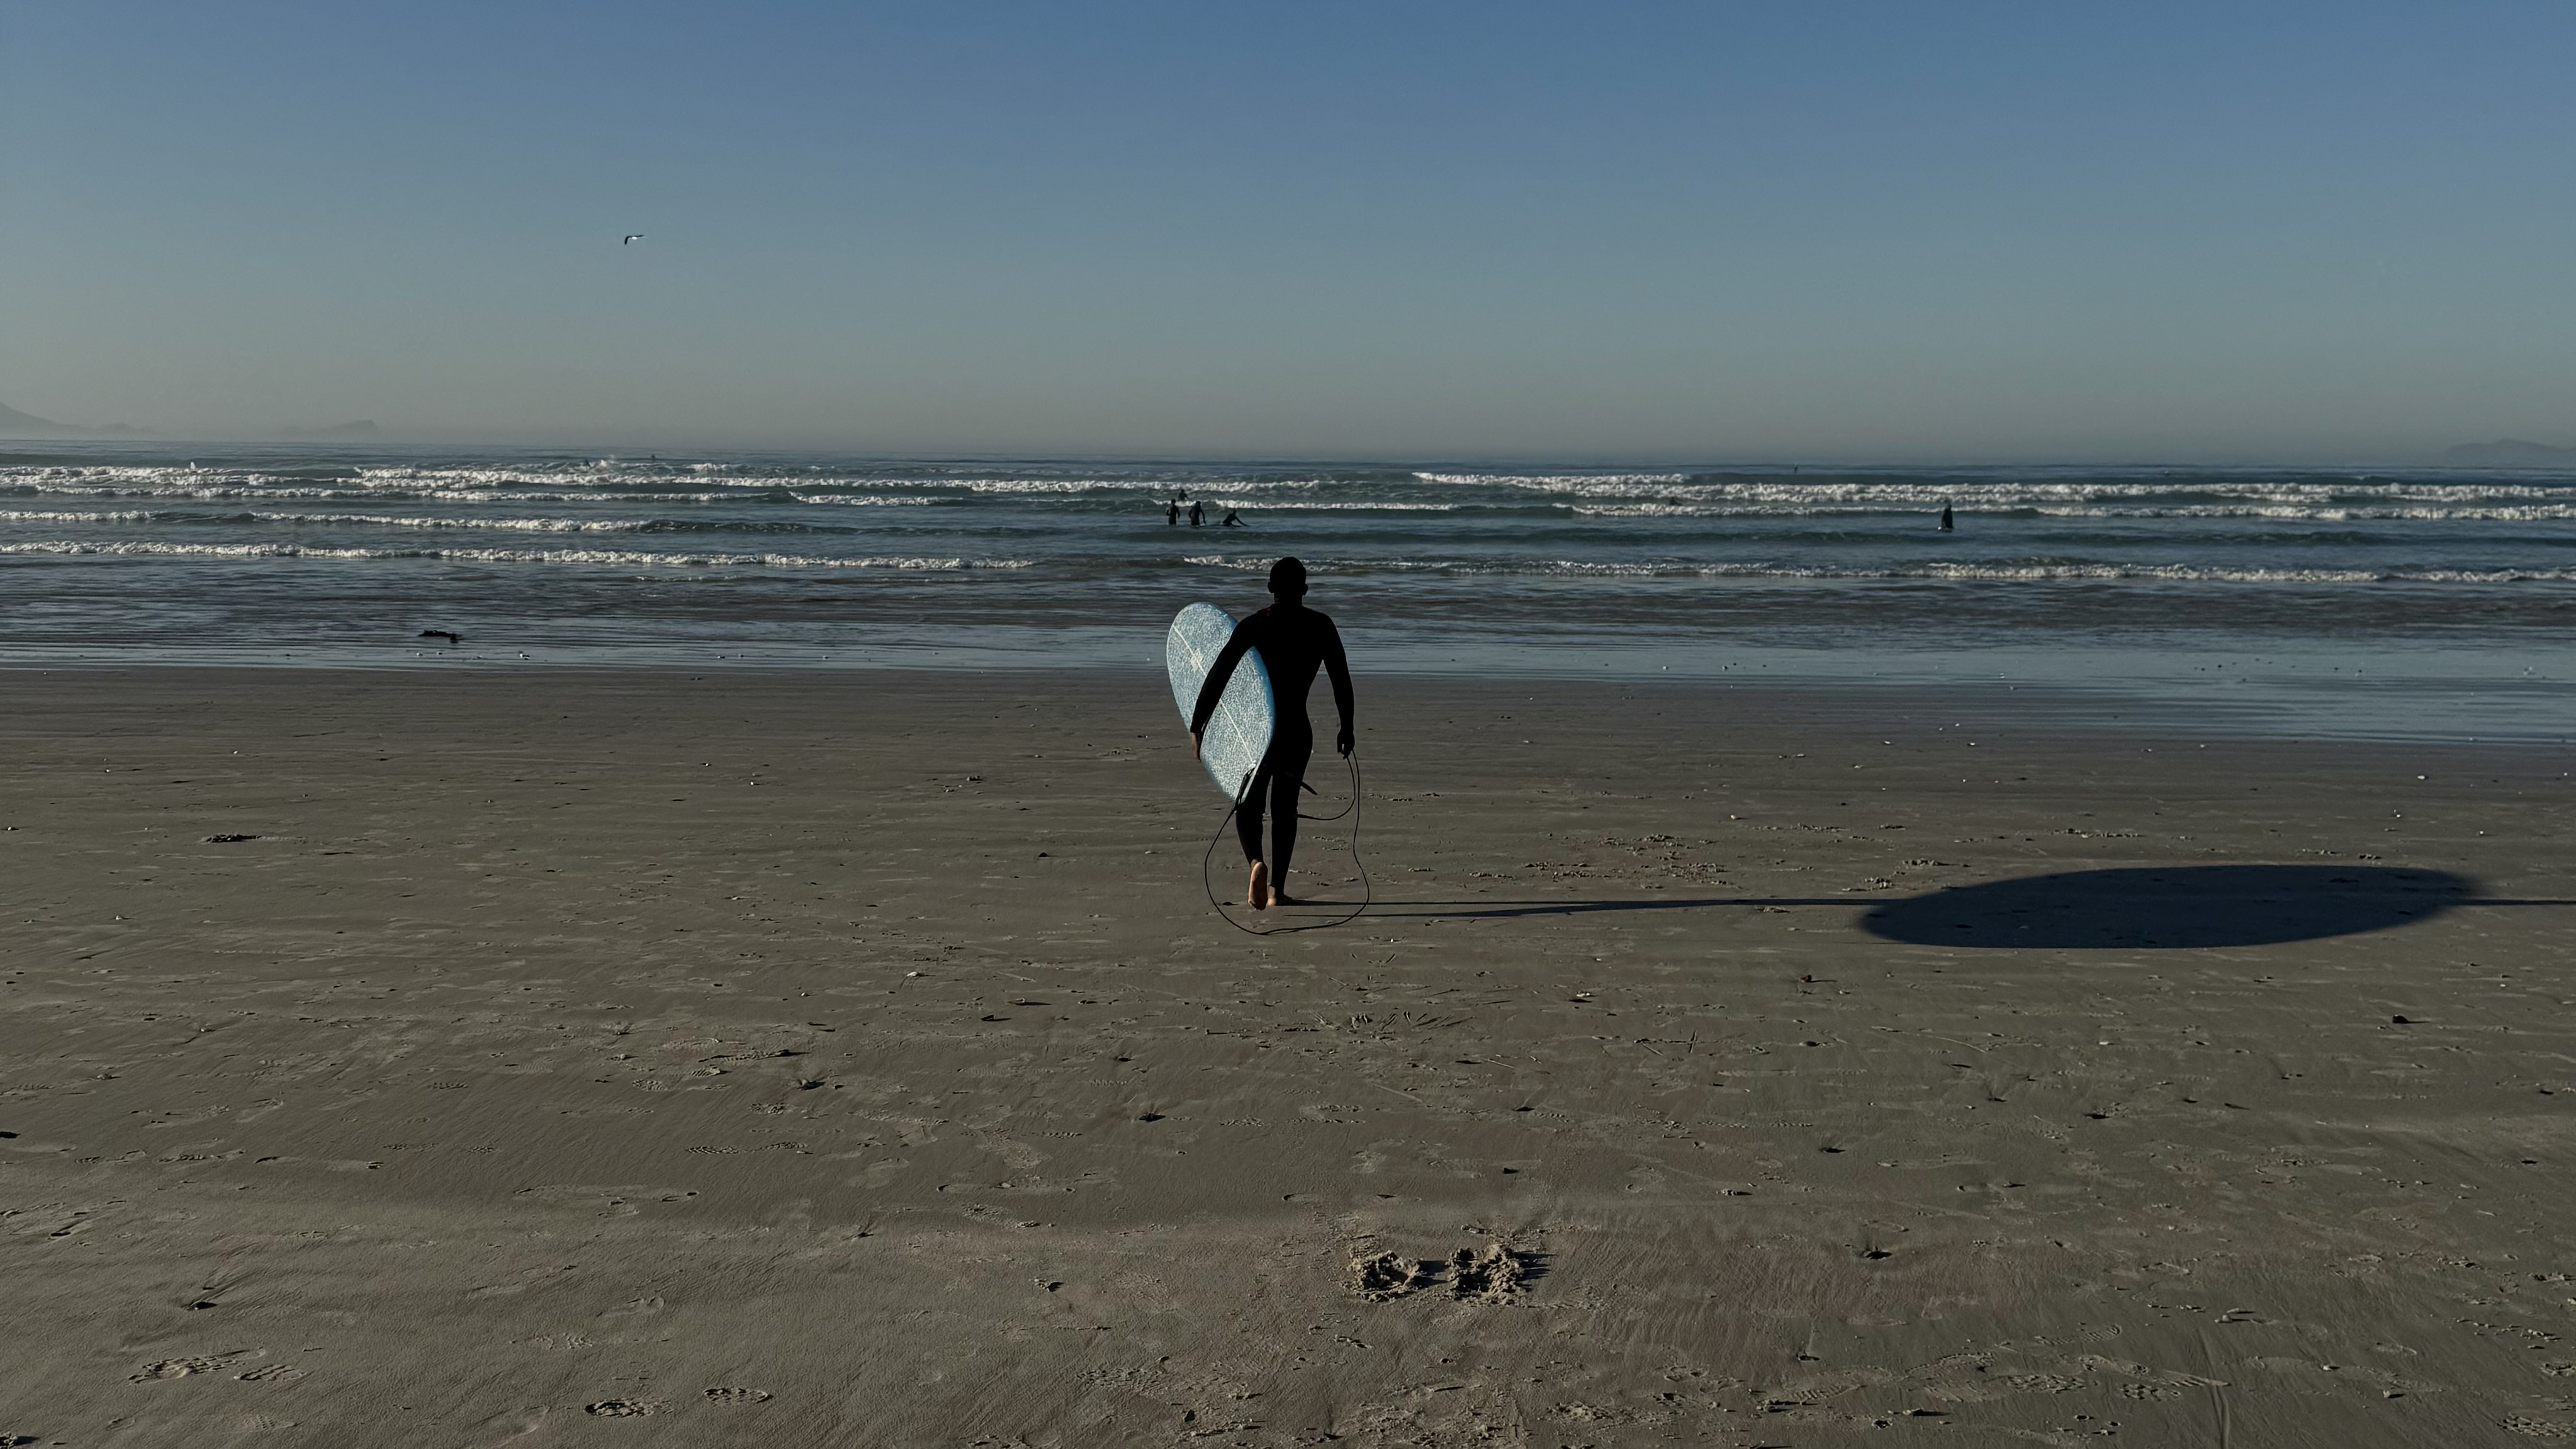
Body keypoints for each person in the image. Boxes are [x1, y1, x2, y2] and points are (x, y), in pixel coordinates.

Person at [1191, 557, 1354, 910]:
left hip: (1258, 733)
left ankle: (1255, 863)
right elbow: (1341, 679)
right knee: (1285, 809)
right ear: (1305, 589)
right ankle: (1277, 890)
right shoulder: (1321, 626)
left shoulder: (1255, 625)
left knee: (1248, 804)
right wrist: (1347, 727)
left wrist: (1198, 724)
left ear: (1270, 589)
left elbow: (1218, 674)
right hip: (1296, 731)